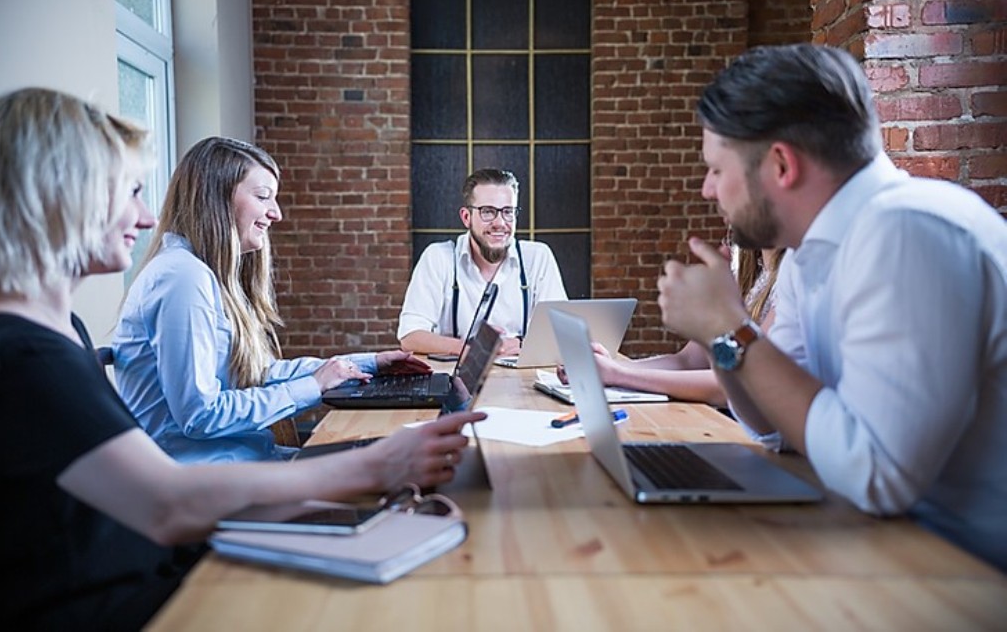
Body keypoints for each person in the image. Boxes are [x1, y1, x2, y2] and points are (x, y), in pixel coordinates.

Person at [0, 87, 485, 629]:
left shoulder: (50, 333)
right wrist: (371, 465)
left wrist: (354, 386)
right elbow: (167, 502)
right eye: (128, 191)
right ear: (64, 194)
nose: (147, 216)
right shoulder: (25, 353)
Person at [655, 44, 1007, 571]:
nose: (709, 190)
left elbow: (876, 475)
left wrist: (730, 326)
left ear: (780, 164)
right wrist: (717, 335)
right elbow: (778, 429)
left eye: (715, 169)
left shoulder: (908, 232)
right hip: (878, 547)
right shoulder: (808, 254)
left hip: (965, 576)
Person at [112, 137, 432, 464]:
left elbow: (256, 374)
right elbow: (200, 415)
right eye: (263, 197)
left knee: (399, 456)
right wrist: (313, 386)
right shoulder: (182, 277)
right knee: (401, 465)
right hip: (209, 478)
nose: (275, 213)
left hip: (244, 461)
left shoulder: (203, 273)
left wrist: (365, 365)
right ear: (216, 198)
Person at [559, 247, 785, 408]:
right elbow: (687, 361)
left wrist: (618, 374)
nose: (710, 192)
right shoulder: (744, 271)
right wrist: (606, 367)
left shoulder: (791, 280)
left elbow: (738, 385)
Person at [397, 168, 568, 356]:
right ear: (466, 217)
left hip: (521, 379)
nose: (500, 223)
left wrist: (521, 344)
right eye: (488, 212)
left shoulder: (538, 258)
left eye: (508, 212)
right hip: (456, 379)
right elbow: (410, 336)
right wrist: (475, 352)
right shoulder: (438, 258)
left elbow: (560, 334)